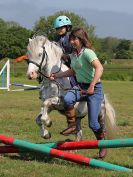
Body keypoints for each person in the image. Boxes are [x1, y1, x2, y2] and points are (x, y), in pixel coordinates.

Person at [50, 27, 107, 158]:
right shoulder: (74, 55)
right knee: (68, 99)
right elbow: (73, 72)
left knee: (93, 124)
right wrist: (56, 75)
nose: (72, 42)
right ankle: (72, 126)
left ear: (81, 39)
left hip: (94, 89)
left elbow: (100, 68)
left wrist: (92, 86)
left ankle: (102, 143)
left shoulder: (88, 53)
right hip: (80, 86)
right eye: (71, 39)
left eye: (74, 39)